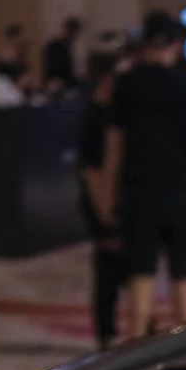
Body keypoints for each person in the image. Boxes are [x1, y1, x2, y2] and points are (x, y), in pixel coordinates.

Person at [103, 10, 186, 338]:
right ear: (177, 44)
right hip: (183, 192)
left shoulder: (127, 84)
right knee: (184, 278)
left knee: (141, 277)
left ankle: (136, 352)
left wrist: (109, 198)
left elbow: (114, 147)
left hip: (139, 192)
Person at [76, 53, 127, 348]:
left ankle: (114, 330)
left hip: (113, 202)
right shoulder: (95, 117)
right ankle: (105, 333)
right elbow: (92, 172)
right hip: (103, 205)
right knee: (108, 272)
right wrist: (104, 213)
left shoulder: (110, 114)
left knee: (120, 269)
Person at [39, 17, 84, 94]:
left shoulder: (68, 46)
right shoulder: (55, 46)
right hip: (57, 83)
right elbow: (51, 67)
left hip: (66, 82)